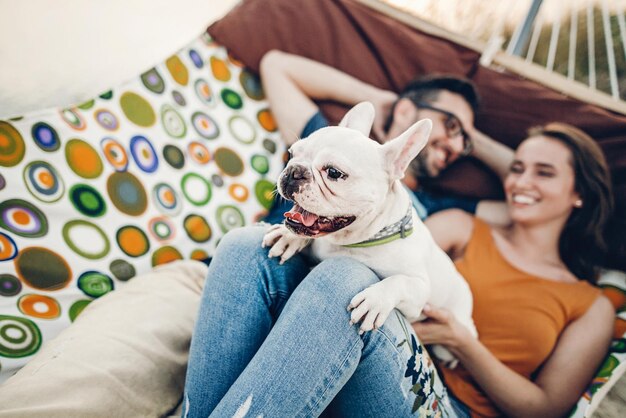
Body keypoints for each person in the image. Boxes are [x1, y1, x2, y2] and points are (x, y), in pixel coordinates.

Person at [182, 122, 615, 417]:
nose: (522, 182)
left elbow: (544, 410)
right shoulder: (464, 228)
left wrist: (460, 341)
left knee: (347, 281)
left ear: (580, 193)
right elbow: (368, 240)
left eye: (545, 173)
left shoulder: (591, 304)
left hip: (449, 406)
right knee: (245, 245)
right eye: (516, 168)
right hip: (363, 357)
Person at [259, 50, 512, 224]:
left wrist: (472, 138)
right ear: (404, 110)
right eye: (451, 124)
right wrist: (379, 100)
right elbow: (276, 66)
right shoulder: (330, 144)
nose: (457, 146)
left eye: (464, 142)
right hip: (271, 254)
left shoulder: (434, 208)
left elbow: (527, 208)